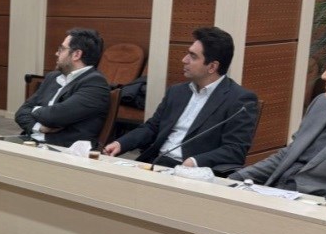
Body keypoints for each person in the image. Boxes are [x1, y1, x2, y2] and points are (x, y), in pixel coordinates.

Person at [231, 37, 326, 205]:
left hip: (314, 212)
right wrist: (232, 180)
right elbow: (287, 155)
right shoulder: (321, 103)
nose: (324, 75)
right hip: (273, 197)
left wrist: (301, 208)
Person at [104, 27, 258, 174]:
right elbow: (152, 127)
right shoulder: (177, 91)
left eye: (193, 56)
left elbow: (235, 150)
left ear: (212, 66)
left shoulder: (240, 100)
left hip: (194, 172)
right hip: (156, 163)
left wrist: (194, 161)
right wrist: (121, 143)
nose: (184, 60)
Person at [15, 28, 109, 147]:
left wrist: (34, 109)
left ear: (76, 54)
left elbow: (54, 117)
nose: (56, 53)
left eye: (62, 49)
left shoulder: (95, 84)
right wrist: (39, 127)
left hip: (62, 150)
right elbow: (21, 112)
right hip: (30, 141)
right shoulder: (53, 77)